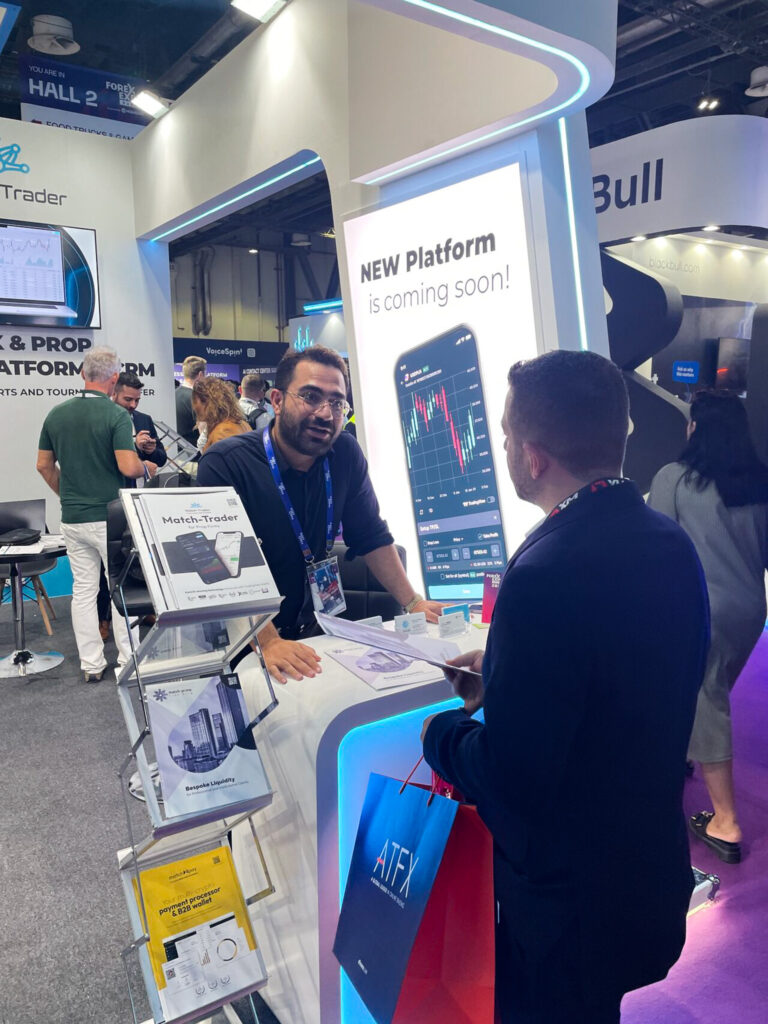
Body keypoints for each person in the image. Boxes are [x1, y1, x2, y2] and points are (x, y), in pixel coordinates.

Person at [421, 350, 710, 1024]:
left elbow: (513, 777)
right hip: (645, 874)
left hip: (566, 910)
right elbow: (628, 679)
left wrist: (442, 734)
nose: (502, 450)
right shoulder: (669, 542)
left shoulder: (543, 572)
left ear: (533, 456)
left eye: (503, 436)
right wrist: (506, 674)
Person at [197, 345, 444, 682]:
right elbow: (223, 570)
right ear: (277, 400)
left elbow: (371, 535)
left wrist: (414, 602)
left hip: (314, 633)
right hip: (244, 645)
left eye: (337, 402)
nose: (326, 413)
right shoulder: (226, 463)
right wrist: (267, 641)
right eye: (311, 397)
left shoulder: (345, 453)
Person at [648, 390, 768, 865]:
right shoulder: (757, 483)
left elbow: (656, 545)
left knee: (705, 694)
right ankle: (683, 752)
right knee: (709, 690)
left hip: (700, 609)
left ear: (695, 428)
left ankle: (726, 821)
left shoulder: (675, 478)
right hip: (751, 612)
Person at [37, 347, 146, 682]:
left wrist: (69, 495)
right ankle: (128, 662)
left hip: (73, 518)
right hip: (110, 518)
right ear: (114, 379)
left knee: (83, 590)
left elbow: (43, 465)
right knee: (120, 588)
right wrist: (146, 466)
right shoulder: (116, 415)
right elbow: (128, 466)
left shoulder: (56, 414)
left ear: (83, 374)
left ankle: (91, 664)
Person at [113, 370, 168, 483]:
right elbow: (104, 460)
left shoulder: (144, 419)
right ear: (114, 394)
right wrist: (136, 447)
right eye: (128, 399)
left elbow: (162, 460)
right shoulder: (103, 421)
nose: (133, 405)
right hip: (115, 487)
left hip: (141, 489)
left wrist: (151, 451)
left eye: (137, 400)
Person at [192, 376, 251, 453]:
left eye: (195, 401)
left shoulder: (222, 431)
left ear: (206, 402)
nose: (194, 407)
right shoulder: (239, 423)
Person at [175, 355, 206, 444]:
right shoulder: (198, 397)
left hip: (177, 448)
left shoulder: (174, 394)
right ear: (200, 375)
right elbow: (204, 430)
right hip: (195, 449)